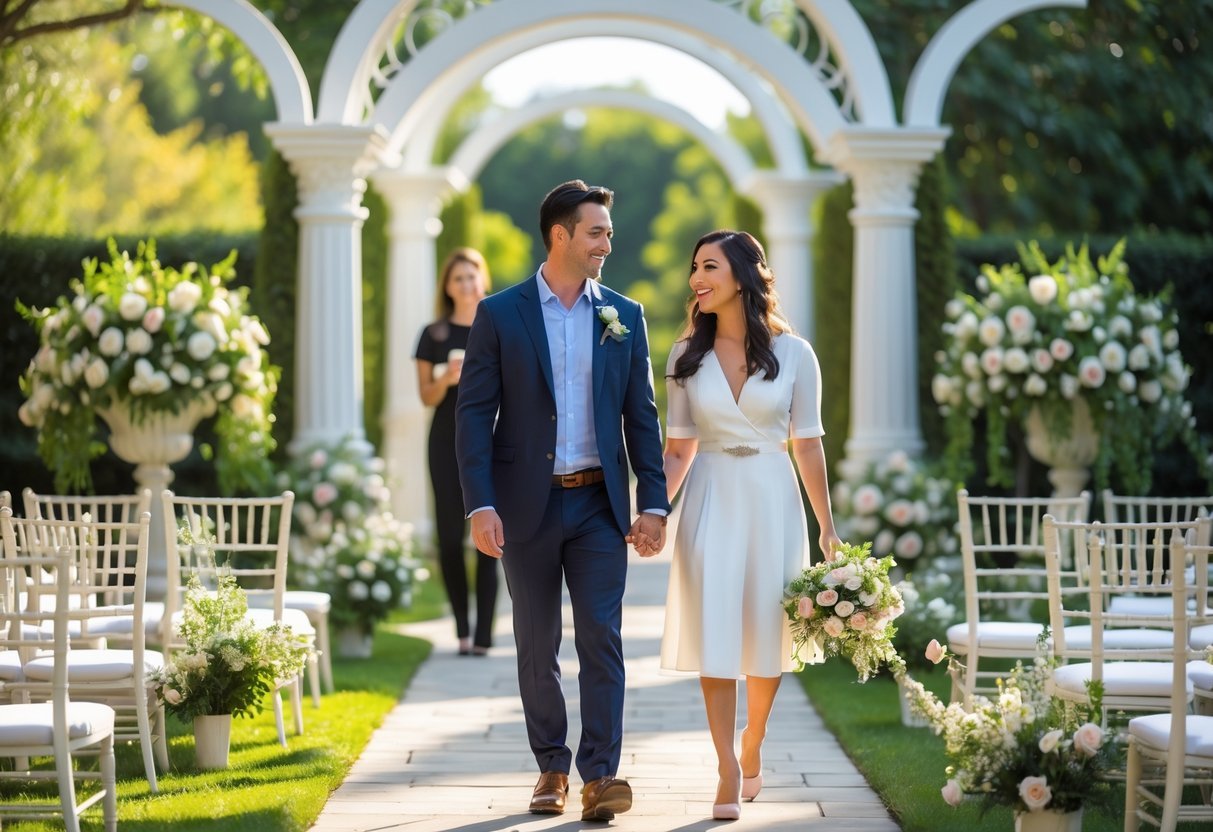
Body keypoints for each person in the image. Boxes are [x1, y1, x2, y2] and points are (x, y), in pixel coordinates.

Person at [455, 180, 670, 821]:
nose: (608, 241)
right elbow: (473, 416)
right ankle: (551, 764)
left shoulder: (624, 317)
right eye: (597, 231)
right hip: (526, 507)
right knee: (536, 642)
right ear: (561, 236)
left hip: (599, 508)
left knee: (602, 638)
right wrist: (480, 504)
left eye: (607, 231)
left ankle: (600, 775)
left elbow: (643, 418)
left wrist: (653, 503)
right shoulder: (501, 313)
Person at [658, 229, 840, 821]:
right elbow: (679, 449)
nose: (696, 278)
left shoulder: (796, 354)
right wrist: (652, 511)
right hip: (710, 495)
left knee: (768, 633)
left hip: (772, 499)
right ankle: (726, 767)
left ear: (741, 274)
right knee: (715, 631)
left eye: (708, 266)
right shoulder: (684, 357)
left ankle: (754, 738)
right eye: (693, 268)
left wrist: (826, 528)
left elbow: (807, 444)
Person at [414, 247, 499, 656]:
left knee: (490, 533)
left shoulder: (499, 324)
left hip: (492, 440)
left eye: (472, 276)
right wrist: (446, 379)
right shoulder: (434, 336)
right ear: (447, 287)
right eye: (457, 279)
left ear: (483, 278)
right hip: (445, 440)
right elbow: (426, 397)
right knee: (449, 539)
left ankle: (484, 635)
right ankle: (462, 630)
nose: (466, 285)